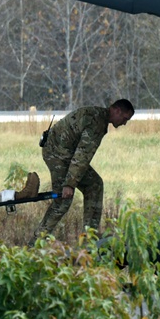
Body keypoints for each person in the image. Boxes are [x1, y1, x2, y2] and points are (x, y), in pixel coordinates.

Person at [31, 99, 135, 242]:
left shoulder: (98, 115)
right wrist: (69, 184)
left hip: (64, 152)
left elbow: (80, 155)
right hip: (57, 154)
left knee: (95, 185)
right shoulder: (97, 122)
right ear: (117, 111)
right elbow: (82, 155)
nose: (124, 123)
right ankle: (35, 243)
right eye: (125, 119)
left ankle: (89, 237)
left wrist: (71, 181)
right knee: (63, 200)